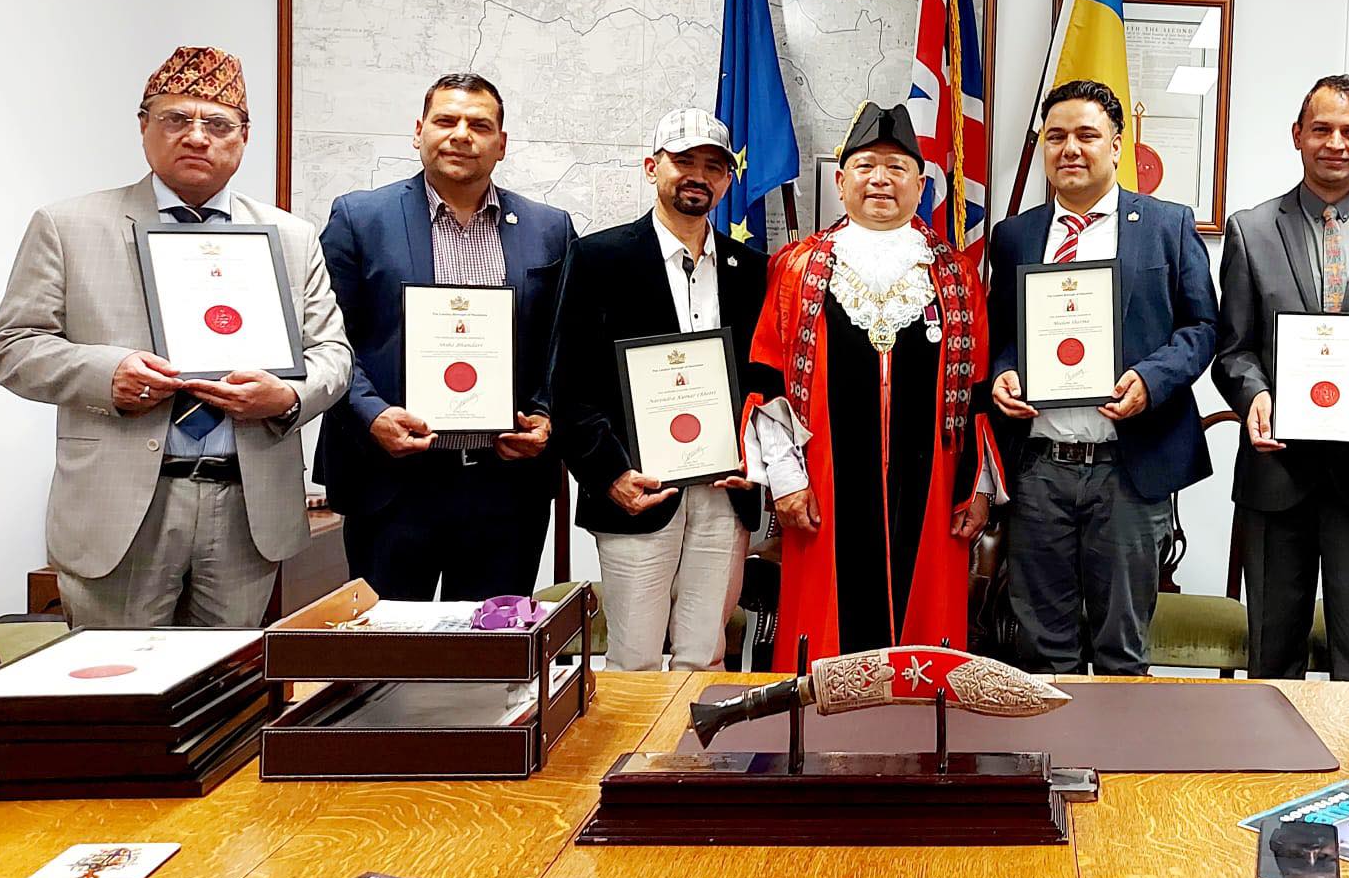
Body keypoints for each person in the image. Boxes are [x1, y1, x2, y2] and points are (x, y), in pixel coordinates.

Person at [0, 46, 350, 628]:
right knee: (116, 682)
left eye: (218, 124)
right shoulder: (68, 226)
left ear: (245, 137)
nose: (197, 137)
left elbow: (332, 353)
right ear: (144, 126)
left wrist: (287, 397)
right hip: (120, 507)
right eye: (176, 118)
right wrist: (107, 374)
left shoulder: (291, 236)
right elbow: (10, 347)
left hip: (246, 508)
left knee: (229, 680)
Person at [746, 102, 999, 662]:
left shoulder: (957, 275)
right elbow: (768, 379)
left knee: (925, 645)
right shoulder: (796, 268)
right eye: (865, 166)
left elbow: (978, 391)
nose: (880, 179)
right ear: (841, 182)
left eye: (897, 167)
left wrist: (977, 488)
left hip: (934, 492)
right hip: (822, 487)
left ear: (921, 185)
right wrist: (785, 478)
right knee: (825, 637)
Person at [315, 72, 575, 600]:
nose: (461, 135)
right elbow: (325, 335)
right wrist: (371, 414)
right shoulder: (360, 218)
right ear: (419, 132)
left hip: (506, 488)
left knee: (491, 643)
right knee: (387, 642)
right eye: (446, 120)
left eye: (479, 125)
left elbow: (565, 343)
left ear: (501, 143)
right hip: (392, 481)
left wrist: (546, 416)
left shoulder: (550, 228)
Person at [1212, 74, 1349, 681]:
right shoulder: (1251, 229)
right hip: (1275, 471)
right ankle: (1273, 750)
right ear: (1297, 135)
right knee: (1271, 657)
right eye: (1321, 129)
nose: (1335, 143)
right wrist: (1254, 395)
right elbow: (1232, 349)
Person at [988, 78, 1216, 674]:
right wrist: (1003, 374)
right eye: (1055, 136)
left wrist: (1152, 380)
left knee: (1122, 652)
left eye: (1086, 135)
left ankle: (1121, 743)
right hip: (1040, 470)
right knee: (1042, 650)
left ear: (1116, 145)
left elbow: (1202, 327)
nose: (1070, 149)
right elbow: (1000, 335)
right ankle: (1053, 740)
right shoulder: (1014, 236)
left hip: (1128, 470)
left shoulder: (1167, 225)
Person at [548, 109, 772, 671]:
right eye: (684, 161)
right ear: (652, 167)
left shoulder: (753, 270)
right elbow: (568, 386)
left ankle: (697, 735)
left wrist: (758, 461)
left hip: (725, 493)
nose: (699, 176)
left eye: (714, 167)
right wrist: (610, 476)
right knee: (634, 660)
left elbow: (767, 384)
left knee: (706, 656)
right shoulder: (598, 258)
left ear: (728, 180)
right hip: (637, 490)